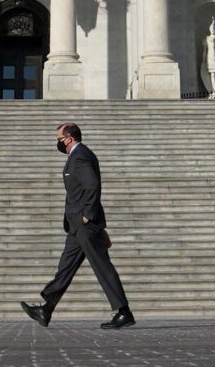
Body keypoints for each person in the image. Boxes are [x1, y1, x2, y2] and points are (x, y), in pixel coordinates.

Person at [21, 121, 134, 329]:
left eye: (59, 139)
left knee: (102, 266)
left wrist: (87, 216)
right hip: (76, 225)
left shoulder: (80, 156)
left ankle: (123, 312)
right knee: (66, 266)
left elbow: (92, 185)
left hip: (85, 224)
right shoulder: (77, 156)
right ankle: (46, 309)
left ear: (69, 138)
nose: (58, 143)